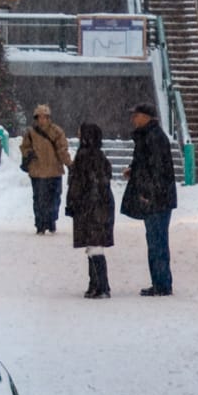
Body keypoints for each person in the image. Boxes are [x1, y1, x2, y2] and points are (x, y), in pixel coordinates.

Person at [120, 102, 177, 296]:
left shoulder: (153, 138)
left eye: (136, 115)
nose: (133, 119)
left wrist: (147, 193)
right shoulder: (150, 136)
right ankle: (160, 282)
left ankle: (162, 284)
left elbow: (155, 170)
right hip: (158, 197)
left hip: (156, 199)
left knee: (157, 241)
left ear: (146, 117)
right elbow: (148, 167)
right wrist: (134, 172)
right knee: (155, 241)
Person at [64, 122, 115, 299]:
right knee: (94, 246)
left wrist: (75, 203)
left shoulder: (86, 157)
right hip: (98, 206)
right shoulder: (98, 156)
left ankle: (100, 285)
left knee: (94, 246)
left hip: (91, 207)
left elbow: (83, 183)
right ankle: (97, 284)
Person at [20, 104, 72, 235]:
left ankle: (51, 219)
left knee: (54, 198)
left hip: (54, 170)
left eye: (44, 117)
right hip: (37, 171)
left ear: (49, 118)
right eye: (39, 117)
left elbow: (62, 149)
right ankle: (40, 223)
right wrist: (29, 153)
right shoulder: (30, 133)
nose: (42, 120)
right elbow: (24, 147)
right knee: (39, 199)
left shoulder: (56, 132)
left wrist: (68, 163)